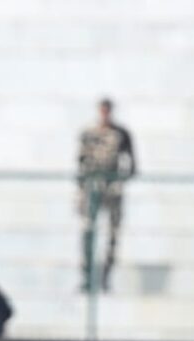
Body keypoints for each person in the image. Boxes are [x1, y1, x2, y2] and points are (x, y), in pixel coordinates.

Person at [77, 98, 136, 293]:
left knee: (112, 234)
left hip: (112, 191)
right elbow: (81, 162)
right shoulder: (89, 133)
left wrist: (118, 180)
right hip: (92, 189)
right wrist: (82, 188)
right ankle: (87, 276)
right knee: (88, 231)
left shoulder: (121, 134)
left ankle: (105, 276)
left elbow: (132, 164)